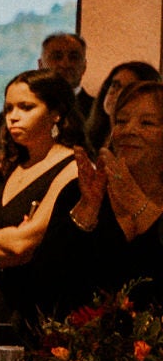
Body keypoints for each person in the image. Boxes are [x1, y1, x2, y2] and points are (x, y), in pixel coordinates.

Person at [0, 71, 86, 328]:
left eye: (26, 107)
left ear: (56, 113)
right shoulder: (3, 167)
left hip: (29, 311)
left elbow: (23, 245)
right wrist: (4, 248)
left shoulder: (72, 167)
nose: (14, 116)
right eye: (9, 108)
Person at [63, 81, 163, 300]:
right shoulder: (79, 192)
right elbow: (44, 288)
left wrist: (136, 202)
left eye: (147, 123)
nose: (128, 130)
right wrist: (87, 211)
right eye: (121, 121)